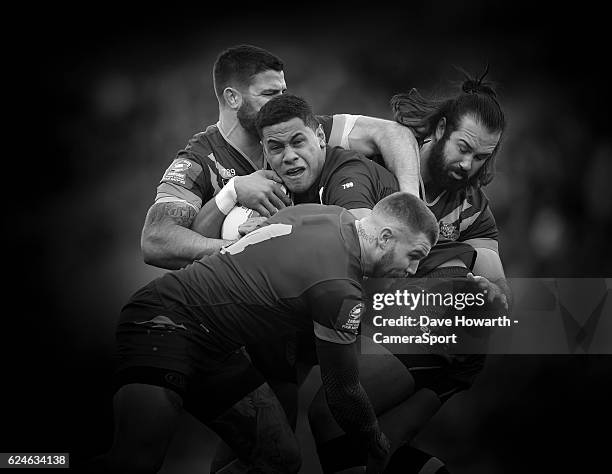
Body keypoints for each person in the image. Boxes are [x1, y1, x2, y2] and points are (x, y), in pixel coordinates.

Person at [93, 193, 440, 473]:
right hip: (164, 321)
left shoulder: (330, 214)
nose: (411, 269)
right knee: (134, 463)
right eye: (414, 256)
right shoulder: (339, 288)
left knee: (280, 460)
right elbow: (343, 393)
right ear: (384, 238)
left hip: (214, 345)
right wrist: (376, 441)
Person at [307, 70, 511, 473]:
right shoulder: (383, 159)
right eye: (464, 148)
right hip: (400, 325)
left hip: (446, 341)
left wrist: (493, 294)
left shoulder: (474, 208)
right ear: (439, 129)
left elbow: (498, 289)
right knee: (366, 448)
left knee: (335, 415)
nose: (469, 164)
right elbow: (305, 129)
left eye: (483, 157)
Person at [141, 44, 421, 270]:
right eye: (269, 94)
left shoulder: (296, 131)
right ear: (232, 98)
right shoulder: (198, 161)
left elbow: (392, 133)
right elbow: (156, 242)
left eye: (283, 92)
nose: (279, 102)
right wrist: (234, 200)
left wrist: (410, 203)